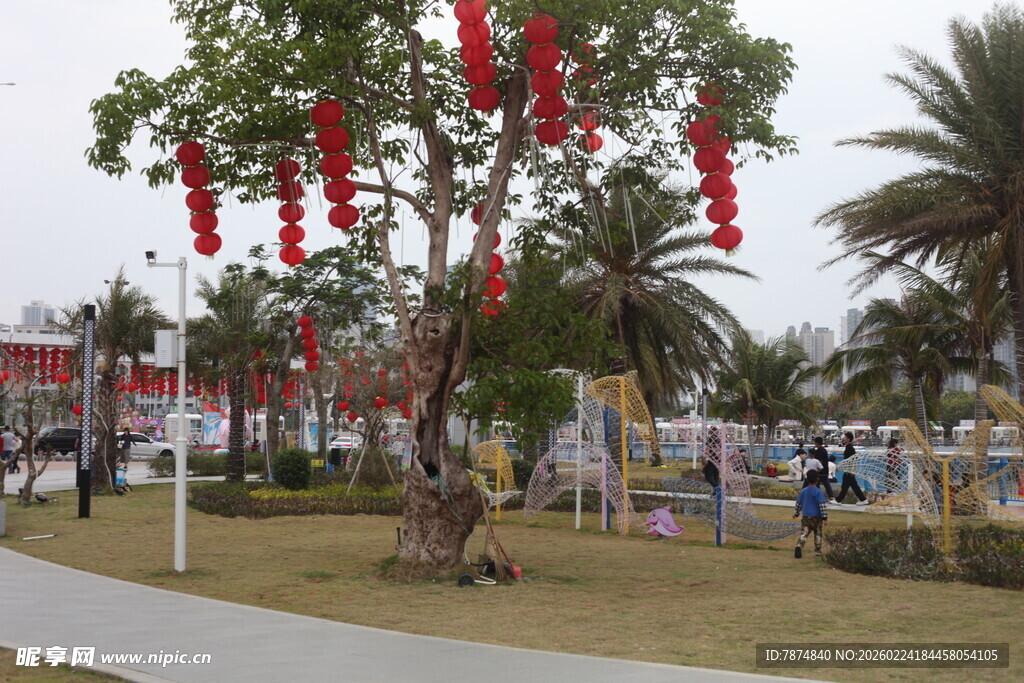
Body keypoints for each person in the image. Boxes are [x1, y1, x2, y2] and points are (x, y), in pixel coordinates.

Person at [794, 470, 828, 558]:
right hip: (817, 517)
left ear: (807, 479)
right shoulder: (819, 492)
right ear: (818, 479)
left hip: (806, 516)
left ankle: (799, 545)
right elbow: (822, 505)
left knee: (804, 533)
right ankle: (818, 550)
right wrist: (824, 517)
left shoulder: (803, 491)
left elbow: (798, 503)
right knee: (818, 533)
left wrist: (796, 513)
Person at [835, 431, 869, 505]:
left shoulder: (850, 448)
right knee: (853, 486)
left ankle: (838, 500)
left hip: (849, 470)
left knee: (846, 486)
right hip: (848, 470)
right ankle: (863, 499)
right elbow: (846, 460)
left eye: (845, 437)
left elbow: (853, 460)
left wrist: (853, 470)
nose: (843, 438)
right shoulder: (847, 447)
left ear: (848, 439)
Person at [808, 437, 836, 501]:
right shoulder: (824, 450)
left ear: (817, 443)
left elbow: (818, 461)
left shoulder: (818, 451)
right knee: (825, 484)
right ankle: (830, 496)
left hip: (820, 471)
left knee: (818, 484)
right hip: (825, 470)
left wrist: (817, 469)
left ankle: (823, 496)